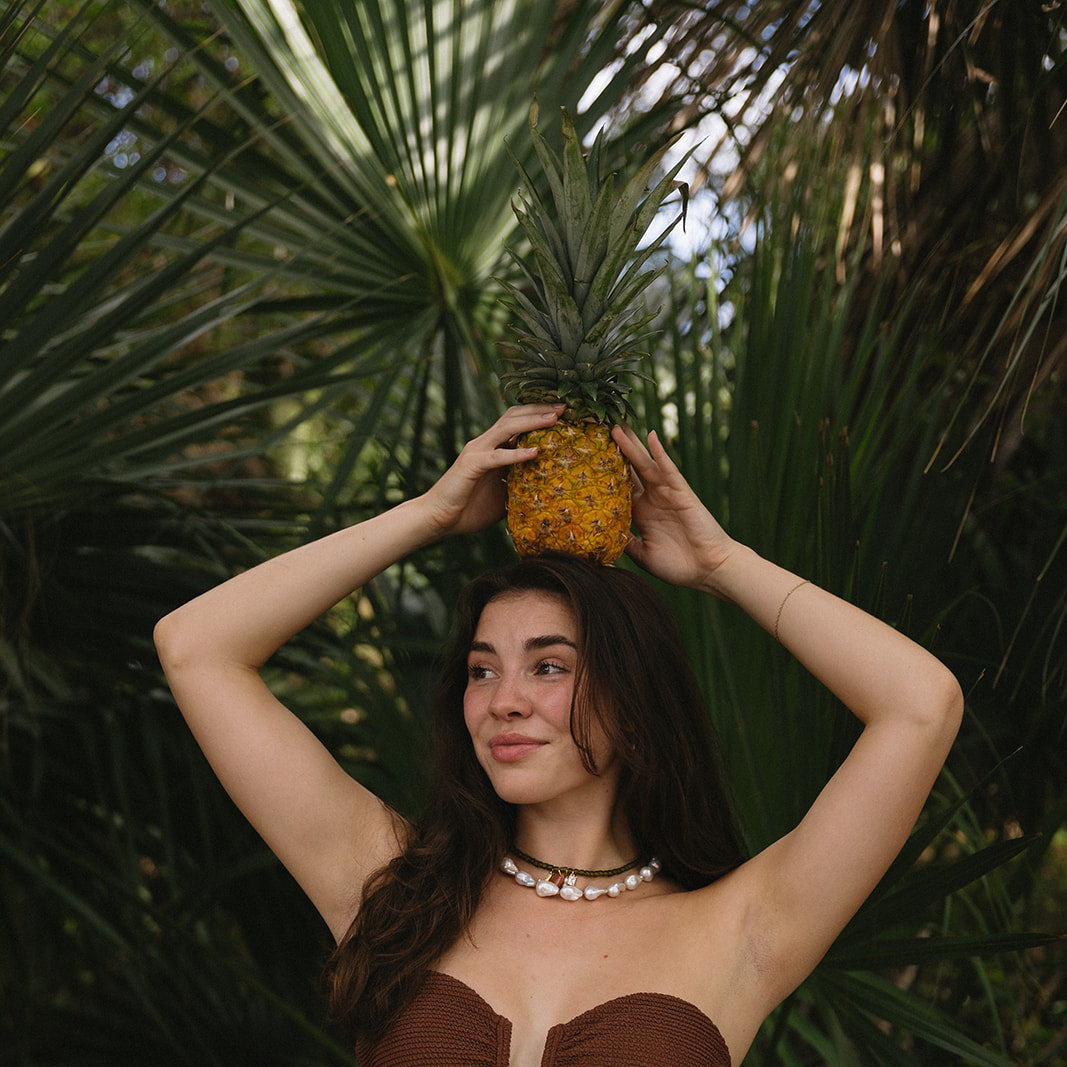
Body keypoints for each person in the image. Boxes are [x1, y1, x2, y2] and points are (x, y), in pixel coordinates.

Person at [154, 403, 963, 1066]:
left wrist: (720, 562)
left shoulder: (741, 927)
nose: (503, 699)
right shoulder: (390, 887)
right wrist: (428, 516)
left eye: (548, 667)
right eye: (480, 668)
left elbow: (920, 704)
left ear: (636, 698)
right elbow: (197, 648)